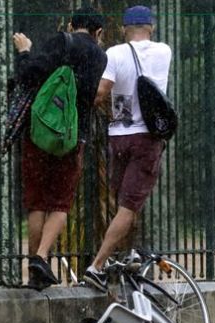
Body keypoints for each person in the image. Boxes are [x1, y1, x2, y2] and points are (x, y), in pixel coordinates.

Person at [12, 7, 107, 290]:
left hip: (39, 134)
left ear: (70, 25)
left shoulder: (61, 42)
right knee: (60, 203)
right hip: (72, 138)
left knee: (37, 202)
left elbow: (28, 75)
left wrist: (25, 51)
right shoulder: (100, 57)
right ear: (99, 33)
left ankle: (35, 268)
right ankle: (41, 257)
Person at [83, 5, 172, 293]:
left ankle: (129, 254)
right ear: (151, 28)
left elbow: (101, 93)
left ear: (123, 29)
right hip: (147, 138)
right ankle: (97, 266)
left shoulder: (115, 53)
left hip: (119, 137)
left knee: (125, 201)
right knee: (130, 205)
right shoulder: (164, 51)